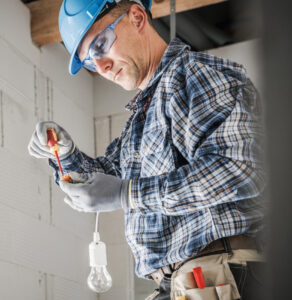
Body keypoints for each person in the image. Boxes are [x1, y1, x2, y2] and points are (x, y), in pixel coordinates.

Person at [28, 0, 266, 299]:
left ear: (138, 17)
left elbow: (241, 170)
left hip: (220, 275)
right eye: (89, 61)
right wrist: (63, 154)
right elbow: (104, 181)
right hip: (184, 281)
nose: (101, 66)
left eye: (101, 45)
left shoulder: (196, 75)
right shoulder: (140, 121)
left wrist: (127, 194)